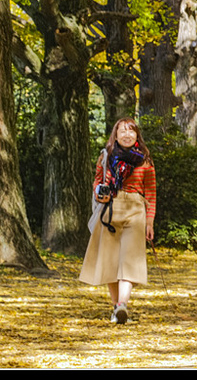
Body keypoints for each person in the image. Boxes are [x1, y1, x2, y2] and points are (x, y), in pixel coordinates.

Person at [79, 118, 157, 324]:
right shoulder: (106, 157)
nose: (127, 135)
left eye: (131, 131)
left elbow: (151, 193)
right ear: (115, 135)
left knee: (130, 259)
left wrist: (150, 222)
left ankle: (123, 304)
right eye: (122, 131)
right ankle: (116, 309)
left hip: (135, 210)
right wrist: (100, 192)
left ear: (137, 135)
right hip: (110, 210)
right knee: (110, 261)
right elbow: (97, 181)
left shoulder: (145, 160)